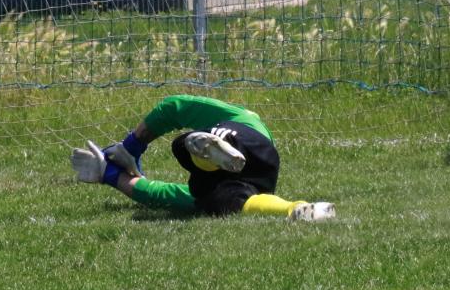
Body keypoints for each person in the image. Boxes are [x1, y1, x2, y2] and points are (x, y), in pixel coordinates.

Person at [70, 94, 334, 221]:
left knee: (185, 147)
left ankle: (209, 148)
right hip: (260, 171)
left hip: (247, 138)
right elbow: (174, 107)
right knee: (229, 201)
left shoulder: (242, 117)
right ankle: (296, 208)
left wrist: (126, 155)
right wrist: (116, 165)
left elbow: (174, 108)